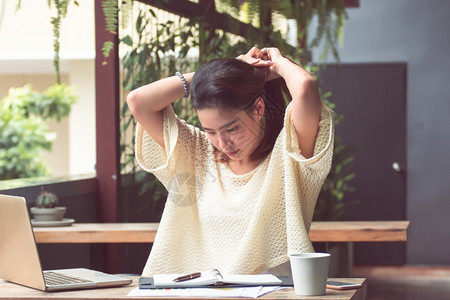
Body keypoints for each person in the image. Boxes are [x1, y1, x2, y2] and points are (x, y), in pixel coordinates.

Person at [127, 47, 334, 276]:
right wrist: (218, 74)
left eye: (231, 129)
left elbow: (305, 88)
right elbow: (138, 102)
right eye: (211, 131)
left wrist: (278, 63)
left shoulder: (289, 156)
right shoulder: (198, 153)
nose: (222, 142)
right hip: (203, 294)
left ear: (258, 108)